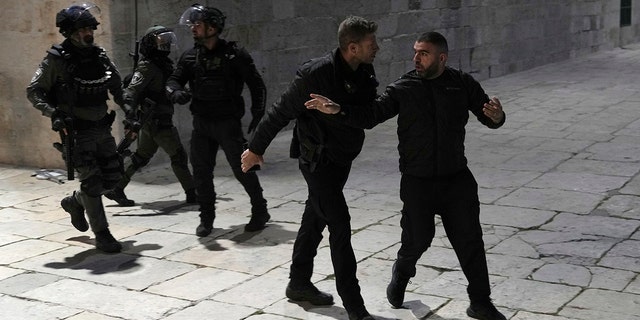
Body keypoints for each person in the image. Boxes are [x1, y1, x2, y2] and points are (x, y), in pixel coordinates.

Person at [305, 31, 507, 320]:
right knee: (418, 239)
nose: (416, 58)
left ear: (442, 58)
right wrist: (339, 111)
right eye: (415, 52)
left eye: (423, 53)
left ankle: (480, 302)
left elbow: (488, 114)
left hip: (456, 179)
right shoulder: (404, 87)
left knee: (470, 240)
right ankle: (401, 272)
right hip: (417, 182)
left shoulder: (461, 84)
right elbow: (372, 115)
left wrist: (498, 117)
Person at [241, 16, 379, 320]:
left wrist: (339, 110)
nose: (377, 49)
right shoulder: (316, 75)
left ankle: (299, 282)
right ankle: (355, 306)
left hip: (342, 158)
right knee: (339, 225)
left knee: (315, 217)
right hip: (316, 160)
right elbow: (280, 112)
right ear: (353, 47)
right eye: (371, 44)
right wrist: (255, 149)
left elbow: (367, 116)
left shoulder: (363, 71)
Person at [26, 3, 132, 253]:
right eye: (82, 29)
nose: (88, 33)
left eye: (89, 28)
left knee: (112, 179)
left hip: (102, 129)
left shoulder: (100, 56)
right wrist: (54, 113)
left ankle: (74, 202)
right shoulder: (56, 60)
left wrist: (130, 111)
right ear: (69, 32)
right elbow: (34, 91)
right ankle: (102, 234)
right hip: (76, 132)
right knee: (92, 183)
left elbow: (118, 88)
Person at [166, 4, 269, 236]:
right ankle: (207, 218)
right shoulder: (190, 56)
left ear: (212, 27)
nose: (193, 28)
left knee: (243, 168)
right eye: (191, 24)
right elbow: (173, 80)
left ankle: (260, 210)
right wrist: (175, 92)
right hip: (202, 123)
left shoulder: (234, 55)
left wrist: (258, 111)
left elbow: (256, 84)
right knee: (201, 173)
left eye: (198, 24)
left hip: (228, 123)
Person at [104, 25, 197, 207]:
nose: (166, 44)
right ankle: (192, 193)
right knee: (178, 155)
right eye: (161, 41)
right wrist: (130, 117)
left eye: (167, 40)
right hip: (156, 121)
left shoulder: (162, 64)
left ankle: (116, 187)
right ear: (150, 43)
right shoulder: (147, 66)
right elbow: (130, 92)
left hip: (154, 120)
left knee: (141, 156)